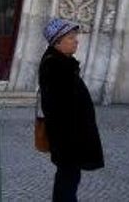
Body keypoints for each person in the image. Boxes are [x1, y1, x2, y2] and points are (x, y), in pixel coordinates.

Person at [38, 18, 104, 201]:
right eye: (70, 38)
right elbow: (59, 106)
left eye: (75, 36)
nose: (76, 41)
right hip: (68, 136)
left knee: (69, 177)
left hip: (70, 135)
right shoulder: (55, 65)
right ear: (57, 42)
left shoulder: (63, 63)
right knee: (68, 177)